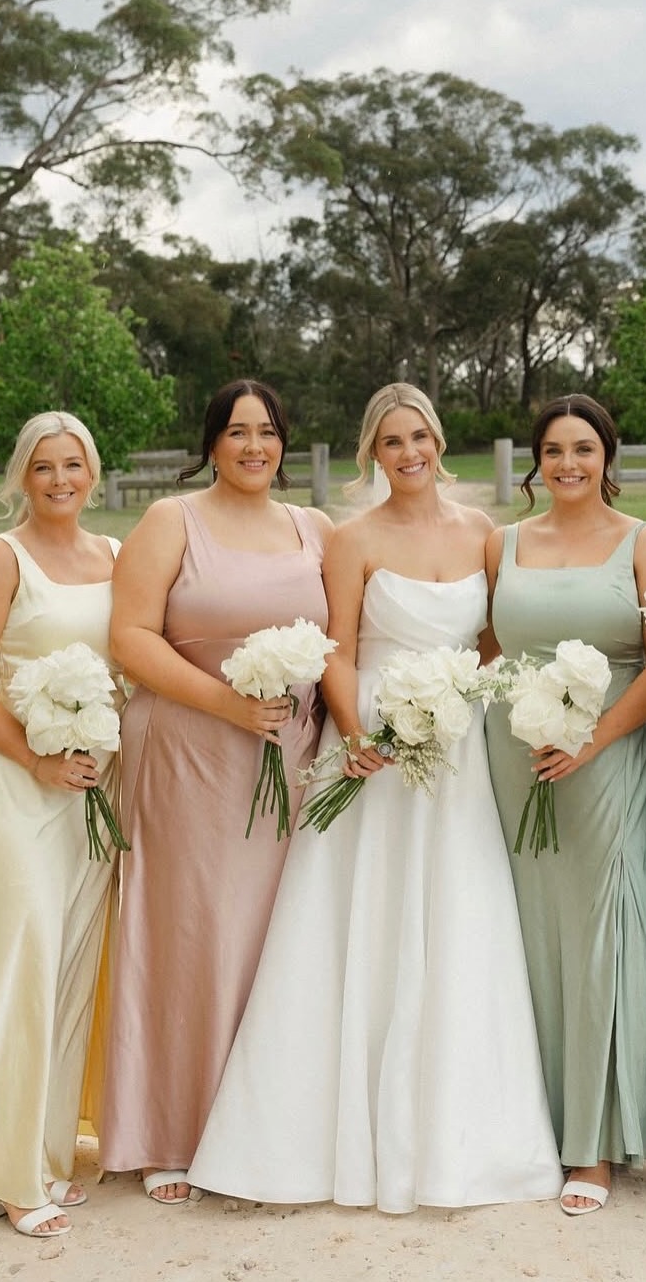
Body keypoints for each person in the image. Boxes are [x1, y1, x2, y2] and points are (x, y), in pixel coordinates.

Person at [188, 382, 564, 1214]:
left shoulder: (482, 535)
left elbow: (491, 640)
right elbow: (340, 650)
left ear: (438, 440)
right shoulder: (350, 539)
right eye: (392, 442)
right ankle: (314, 1135)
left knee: (458, 921)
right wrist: (358, 738)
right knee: (354, 925)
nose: (410, 454)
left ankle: (462, 1137)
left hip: (456, 760)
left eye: (421, 437)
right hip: (370, 756)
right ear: (371, 452)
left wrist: (457, 705)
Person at [98, 379, 333, 1204]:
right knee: (192, 932)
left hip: (290, 762)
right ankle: (172, 1129)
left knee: (276, 937)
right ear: (210, 443)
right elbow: (129, 636)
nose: (253, 446)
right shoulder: (172, 522)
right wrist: (229, 704)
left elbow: (344, 642)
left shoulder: (315, 528)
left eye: (267, 431)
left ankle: (264, 1124)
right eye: (236, 432)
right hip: (191, 752)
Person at [483, 394, 646, 1217]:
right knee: (524, 934)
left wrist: (591, 740)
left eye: (584, 449)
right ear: (536, 460)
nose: (568, 463)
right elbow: (488, 644)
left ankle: (595, 1142)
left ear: (608, 456)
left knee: (600, 930)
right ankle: (532, 1122)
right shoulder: (502, 543)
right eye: (554, 450)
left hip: (606, 756)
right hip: (512, 753)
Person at [0, 412, 122, 1238]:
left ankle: (42, 1149)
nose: (58, 480)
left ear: (93, 471)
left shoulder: (115, 556)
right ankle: (5, 1174)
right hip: (11, 789)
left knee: (72, 966)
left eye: (72, 464)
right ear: (21, 475)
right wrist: (36, 760)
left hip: (91, 794)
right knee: (18, 963)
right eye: (42, 467)